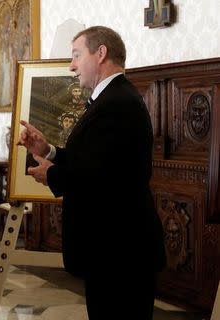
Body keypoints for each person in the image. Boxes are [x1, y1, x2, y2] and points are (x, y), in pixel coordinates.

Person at [18, 26, 166, 320]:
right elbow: (93, 161)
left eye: (76, 55)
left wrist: (52, 175)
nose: (71, 65)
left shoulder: (117, 103)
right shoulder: (111, 99)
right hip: (112, 252)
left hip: (120, 253)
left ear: (101, 54)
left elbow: (104, 179)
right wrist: (48, 151)